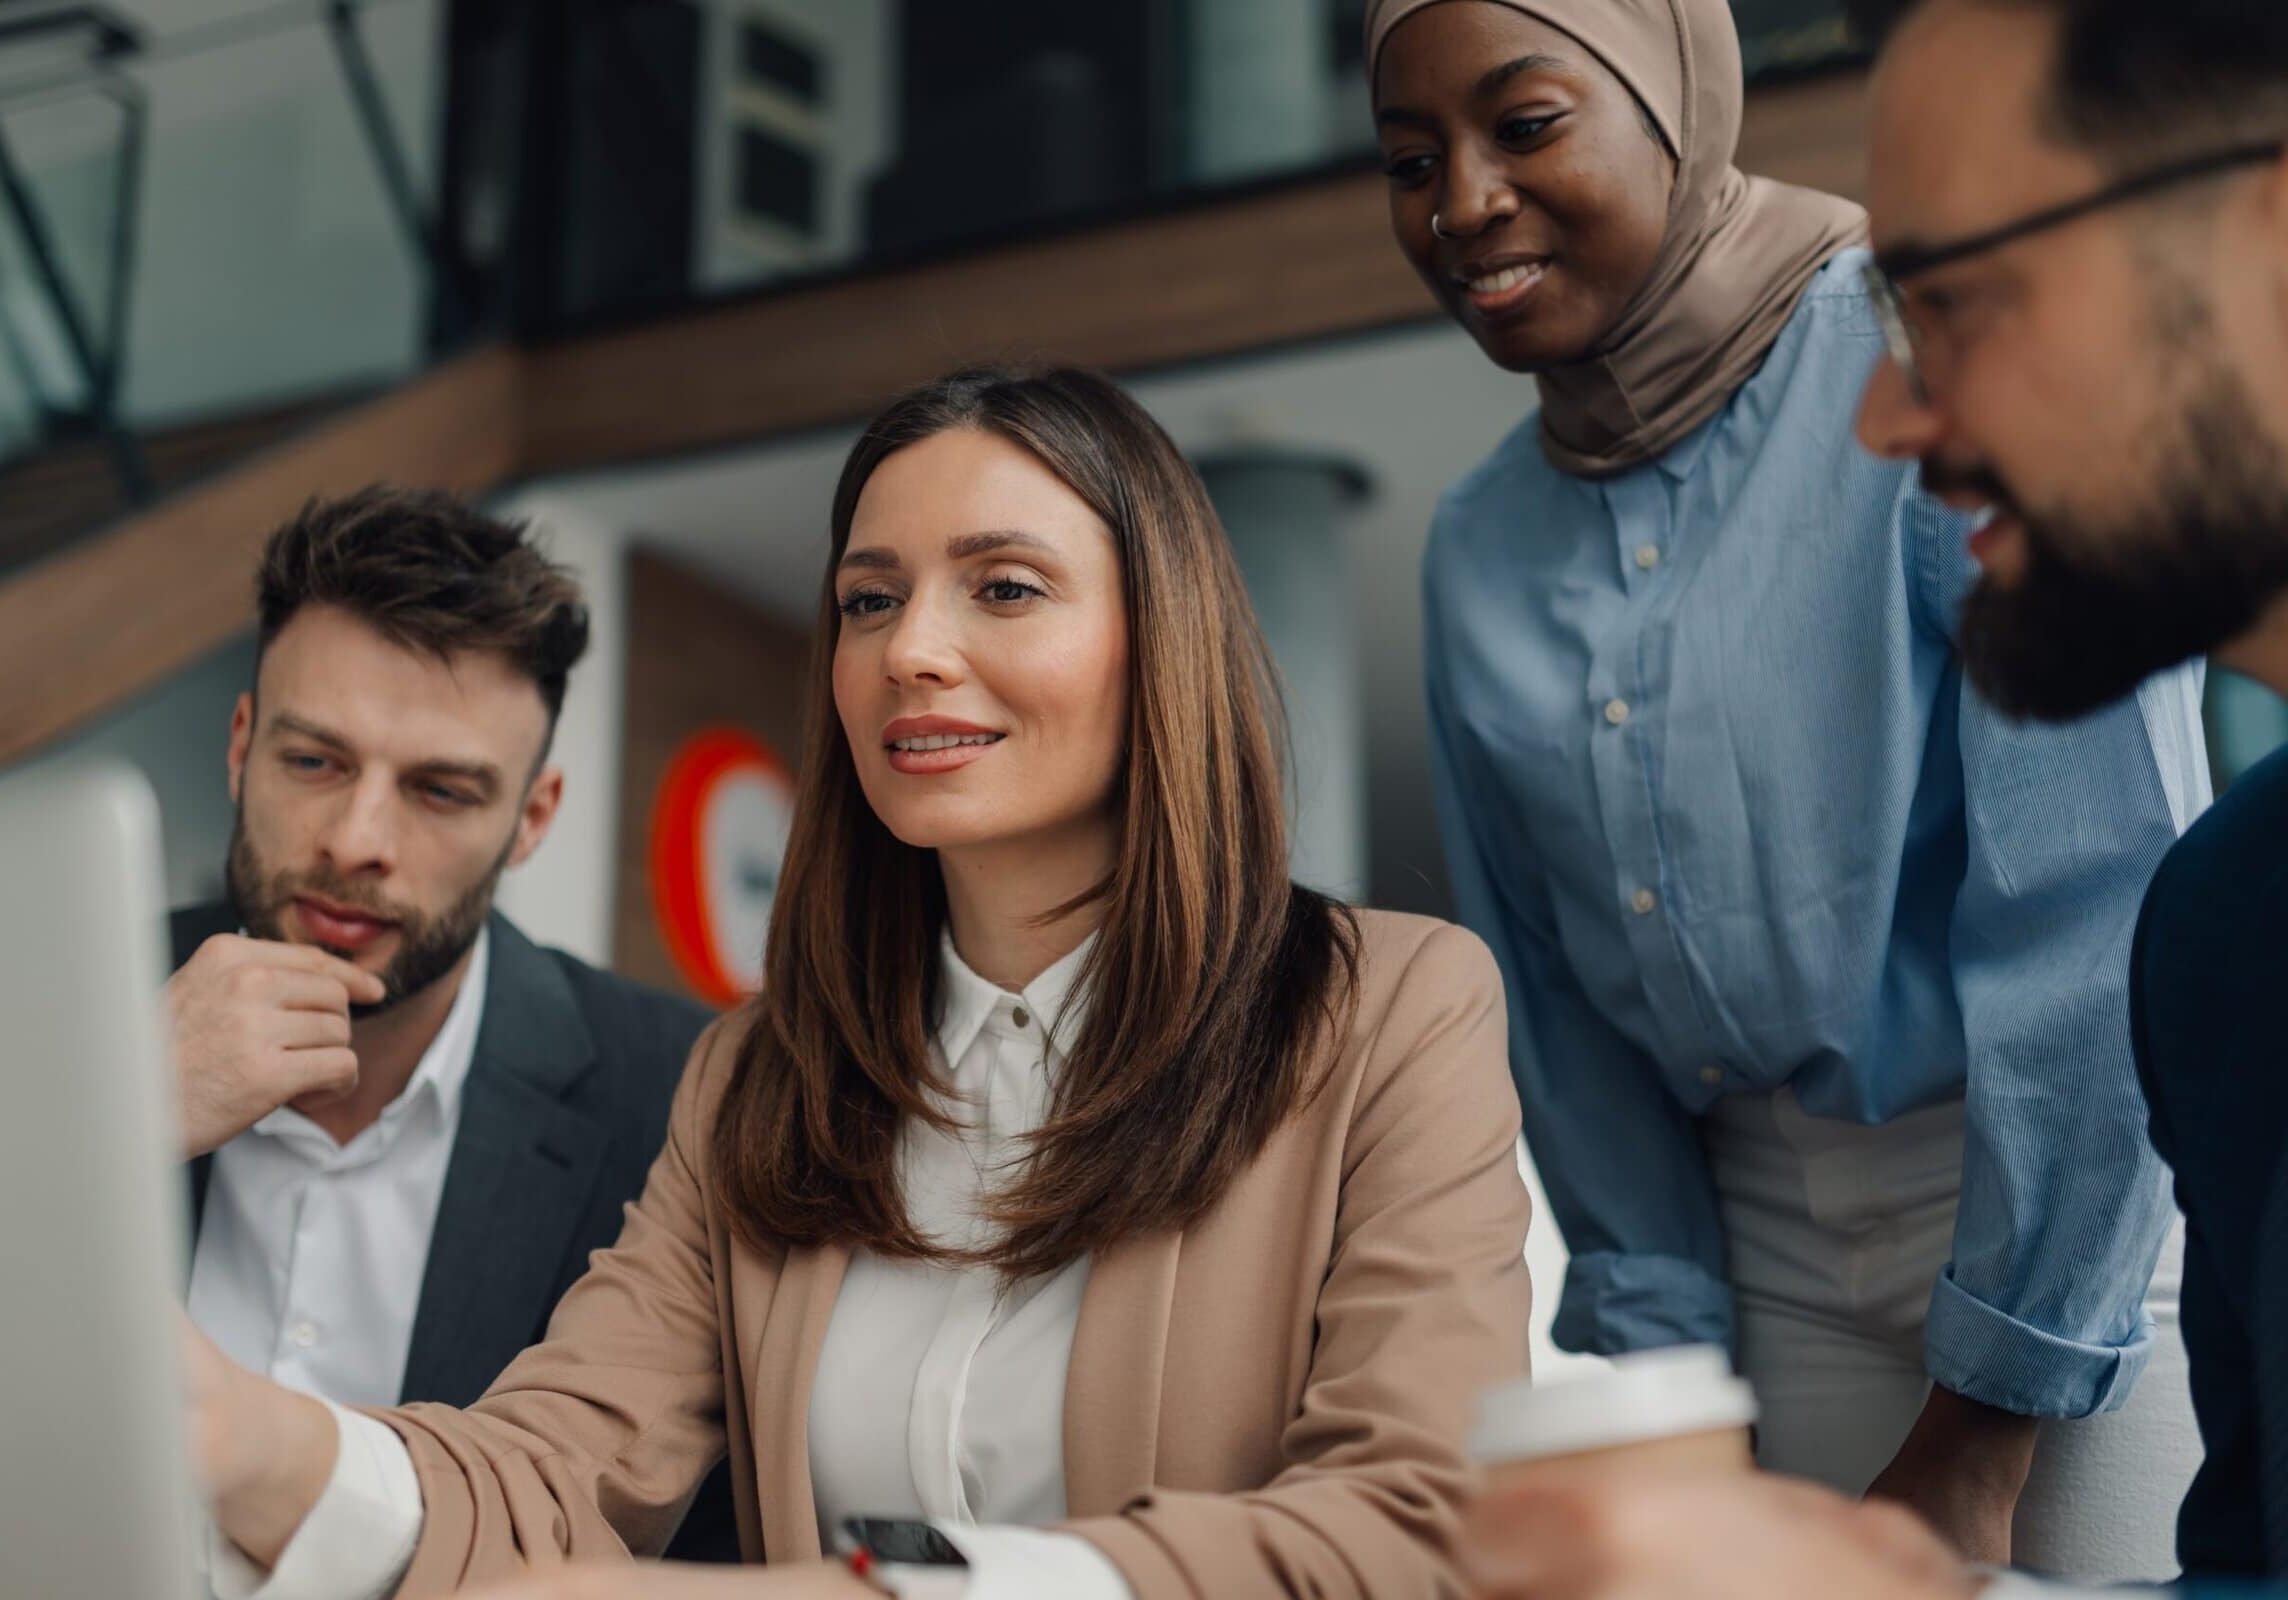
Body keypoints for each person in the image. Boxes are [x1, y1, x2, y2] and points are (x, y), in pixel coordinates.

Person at [182, 366, 1534, 1600]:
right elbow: (547, 1476)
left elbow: (1418, 1524)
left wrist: (885, 1596)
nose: (910, 651)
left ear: (1158, 638)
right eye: (870, 599)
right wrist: (236, 1434)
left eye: (1003, 587)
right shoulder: (758, 1078)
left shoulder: (1393, 1011)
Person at [1371, 0, 2213, 1575]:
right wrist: (1663, 1380)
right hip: (1761, 1255)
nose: (1462, 201)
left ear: (1682, 94)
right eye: (1412, 159)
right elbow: (1558, 1022)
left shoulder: (1922, 367)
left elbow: (2104, 914)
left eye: (1527, 123)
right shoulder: (1476, 547)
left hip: (2075, 1218)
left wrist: (1985, 1426)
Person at [171, 487, 735, 1586]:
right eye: (314, 762)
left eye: (439, 790)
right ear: (242, 748)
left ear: (531, 816)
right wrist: (108, 1117)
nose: (356, 841)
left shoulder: (677, 1092)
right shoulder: (53, 1002)